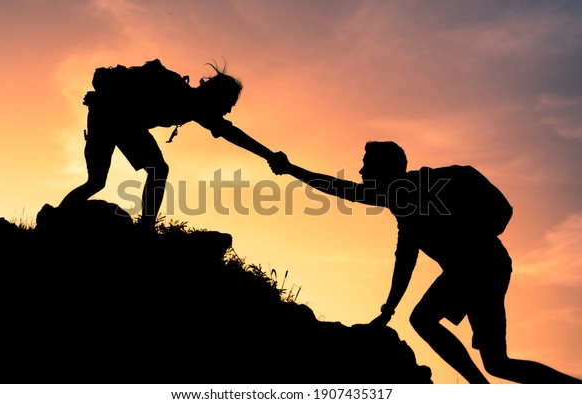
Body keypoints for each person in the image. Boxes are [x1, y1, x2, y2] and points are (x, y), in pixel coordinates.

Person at [268, 141, 581, 384]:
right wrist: (388, 310)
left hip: (482, 267)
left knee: (425, 321)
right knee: (497, 362)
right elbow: (405, 260)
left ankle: (481, 389)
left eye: (367, 167)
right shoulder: (405, 205)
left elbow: (343, 190)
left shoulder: (417, 189)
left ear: (386, 170)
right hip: (486, 267)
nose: (362, 173)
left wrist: (291, 169)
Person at [60, 59, 278, 229]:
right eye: (228, 104)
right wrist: (105, 98)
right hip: (115, 117)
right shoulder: (176, 90)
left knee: (98, 181)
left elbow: (232, 133)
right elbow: (128, 85)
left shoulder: (195, 108)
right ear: (215, 96)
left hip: (110, 118)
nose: (228, 111)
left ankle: (57, 218)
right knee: (152, 170)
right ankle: (145, 228)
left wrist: (270, 155)